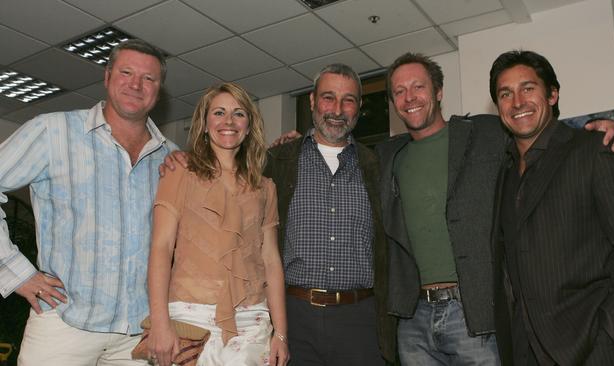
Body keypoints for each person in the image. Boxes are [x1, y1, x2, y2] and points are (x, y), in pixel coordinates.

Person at [375, 52, 614, 366]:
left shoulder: (485, 131)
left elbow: (536, 126)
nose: (409, 97)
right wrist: (296, 146)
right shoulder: (387, 155)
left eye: (418, 87)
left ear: (439, 91)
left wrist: (605, 127)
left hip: (473, 314)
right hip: (413, 316)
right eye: (399, 91)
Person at [160, 63, 397, 365]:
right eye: (328, 97)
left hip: (359, 318)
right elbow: (226, 167)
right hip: (295, 316)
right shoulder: (279, 160)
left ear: (359, 107)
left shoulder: (376, 165)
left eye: (348, 100)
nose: (337, 109)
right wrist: (179, 155)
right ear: (312, 101)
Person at [0, 39, 176, 365]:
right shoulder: (52, 131)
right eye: (126, 72)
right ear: (107, 77)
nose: (136, 84)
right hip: (64, 323)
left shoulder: (173, 158)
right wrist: (16, 273)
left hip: (138, 332)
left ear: (159, 89)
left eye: (148, 78)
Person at [489, 49, 614, 365]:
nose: (517, 101)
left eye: (528, 88)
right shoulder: (504, 172)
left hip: (592, 347)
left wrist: (610, 331)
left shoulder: (595, 150)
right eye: (505, 93)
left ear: (552, 94)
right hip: (524, 350)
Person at [144, 83, 288, 366]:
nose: (228, 122)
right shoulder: (178, 173)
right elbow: (161, 247)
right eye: (219, 112)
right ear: (204, 124)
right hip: (189, 318)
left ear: (249, 127)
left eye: (238, 114)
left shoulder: (265, 188)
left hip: (252, 321)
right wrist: (160, 324)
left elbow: (271, 260)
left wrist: (281, 334)